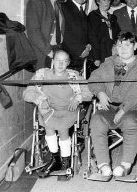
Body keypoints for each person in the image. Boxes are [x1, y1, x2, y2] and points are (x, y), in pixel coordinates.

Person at [87, 32, 137, 181]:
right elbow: (93, 79)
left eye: (127, 45)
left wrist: (124, 108)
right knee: (96, 120)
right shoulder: (109, 63)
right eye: (119, 45)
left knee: (131, 122)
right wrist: (100, 93)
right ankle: (103, 165)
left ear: (135, 46)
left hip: (131, 108)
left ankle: (125, 165)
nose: (123, 49)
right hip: (109, 106)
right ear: (115, 47)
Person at [23, 50, 93, 180]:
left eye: (64, 61)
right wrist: (38, 100)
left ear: (68, 63)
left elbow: (89, 93)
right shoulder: (42, 75)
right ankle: (55, 159)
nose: (61, 64)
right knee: (48, 125)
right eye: (58, 60)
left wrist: (77, 98)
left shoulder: (74, 76)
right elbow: (27, 93)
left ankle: (65, 161)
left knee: (61, 128)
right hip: (49, 110)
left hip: (69, 110)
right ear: (53, 61)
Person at [26, 0, 65, 70]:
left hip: (56, 50)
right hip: (44, 53)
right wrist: (49, 52)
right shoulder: (37, 0)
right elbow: (33, 32)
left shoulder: (58, 3)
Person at [61, 0, 91, 72]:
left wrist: (89, 47)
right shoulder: (64, 7)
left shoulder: (83, 12)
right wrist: (80, 50)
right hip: (68, 57)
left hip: (81, 58)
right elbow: (63, 33)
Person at [88, 0, 121, 67]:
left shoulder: (113, 17)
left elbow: (117, 34)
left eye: (108, 0)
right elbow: (92, 37)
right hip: (100, 52)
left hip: (113, 52)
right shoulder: (93, 16)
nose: (106, 3)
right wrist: (96, 57)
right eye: (104, 0)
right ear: (98, 1)